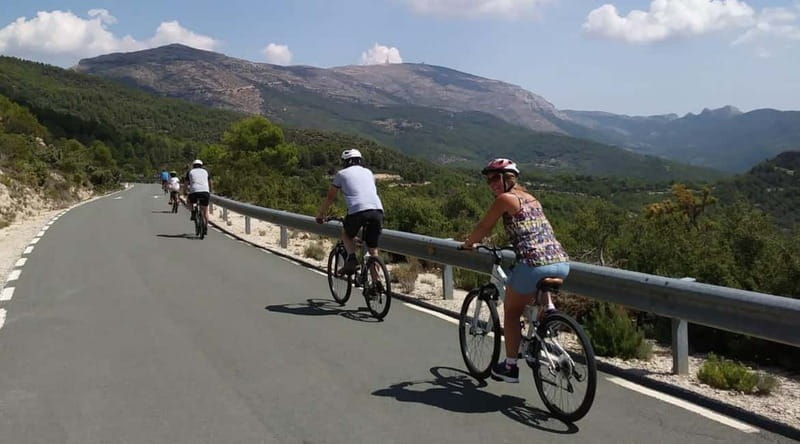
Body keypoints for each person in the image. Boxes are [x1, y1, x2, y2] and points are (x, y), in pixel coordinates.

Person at [461, 158, 570, 383]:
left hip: (534, 264)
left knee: (511, 312)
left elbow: (484, 226)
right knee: (532, 287)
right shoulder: (531, 198)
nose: (491, 183)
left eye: (494, 178)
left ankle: (510, 366)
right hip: (561, 262)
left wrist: (469, 244)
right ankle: (548, 310)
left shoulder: (505, 199)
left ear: (508, 179)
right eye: (488, 180)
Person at [315, 149, 384, 275]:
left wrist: (321, 214)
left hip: (357, 211)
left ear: (345, 162)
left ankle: (351, 259)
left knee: (347, 235)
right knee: (373, 249)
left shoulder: (341, 174)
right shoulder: (369, 172)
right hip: (377, 210)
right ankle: (377, 282)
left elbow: (330, 197)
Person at [185, 159, 212, 234]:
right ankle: (205, 227)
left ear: (193, 166)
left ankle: (193, 212)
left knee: (188, 201)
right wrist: (210, 191)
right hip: (205, 192)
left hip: (194, 192)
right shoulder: (205, 171)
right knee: (205, 210)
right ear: (201, 166)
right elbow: (210, 182)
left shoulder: (190, 172)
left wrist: (184, 191)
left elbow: (186, 183)